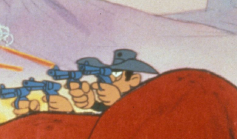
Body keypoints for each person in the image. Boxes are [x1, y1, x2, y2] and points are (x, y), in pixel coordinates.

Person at [13, 49, 158, 116]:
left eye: (117, 74)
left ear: (134, 80)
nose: (112, 79)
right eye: (110, 73)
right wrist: (85, 106)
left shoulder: (146, 104)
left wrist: (118, 102)